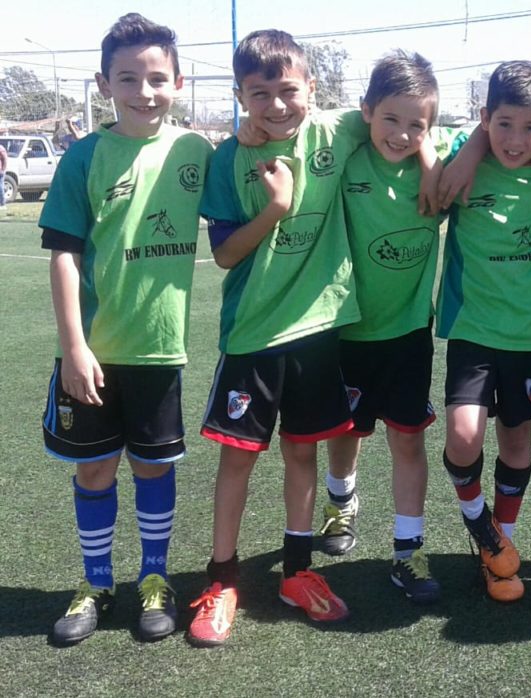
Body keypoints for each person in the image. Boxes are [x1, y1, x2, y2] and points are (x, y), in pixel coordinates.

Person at [186, 29, 369, 648]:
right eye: (259, 94)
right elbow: (225, 255)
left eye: (288, 90)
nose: (276, 105)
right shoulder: (228, 160)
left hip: (317, 328)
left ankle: (296, 572)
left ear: (312, 89)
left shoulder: (336, 132)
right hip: (253, 333)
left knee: (302, 453)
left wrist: (453, 150)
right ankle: (221, 580)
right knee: (238, 457)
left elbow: (407, 112)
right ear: (240, 96)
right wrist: (275, 210)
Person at [40, 13, 212, 645]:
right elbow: (64, 254)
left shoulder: (196, 152)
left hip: (160, 351)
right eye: (128, 78)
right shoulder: (84, 156)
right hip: (94, 354)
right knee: (94, 471)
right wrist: (73, 347)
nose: (145, 91)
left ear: (179, 83)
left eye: (157, 78)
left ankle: (155, 578)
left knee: (153, 468)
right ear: (104, 84)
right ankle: (96, 583)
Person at [318, 50, 448, 604]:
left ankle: (408, 549)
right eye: (389, 118)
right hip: (348, 328)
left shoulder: (439, 172)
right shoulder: (347, 159)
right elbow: (321, 121)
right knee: (345, 432)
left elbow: (484, 140)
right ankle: (340, 504)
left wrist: (432, 154)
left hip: (409, 332)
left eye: (416, 124)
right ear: (367, 110)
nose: (401, 134)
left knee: (408, 438)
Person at [434, 60, 531, 602]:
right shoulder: (464, 159)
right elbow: (416, 137)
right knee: (464, 436)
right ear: (485, 117)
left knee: (516, 439)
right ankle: (479, 524)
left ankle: (499, 546)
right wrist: (471, 146)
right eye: (503, 124)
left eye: (529, 127)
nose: (515, 139)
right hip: (474, 328)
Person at [0, 141, 7, 210]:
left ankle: (3, 204)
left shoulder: (1, 148)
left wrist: (3, 169)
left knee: (0, 188)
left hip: (0, 172)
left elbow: (5, 159)